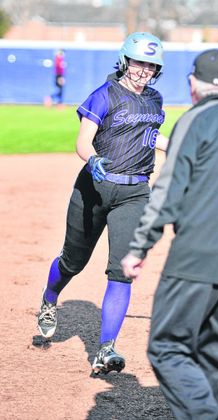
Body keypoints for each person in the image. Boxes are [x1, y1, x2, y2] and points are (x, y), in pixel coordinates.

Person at [121, 49, 218, 419]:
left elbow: (166, 191)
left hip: (195, 261)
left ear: (193, 84)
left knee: (167, 348)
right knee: (216, 362)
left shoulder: (193, 120)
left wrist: (139, 247)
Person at [37, 32, 167, 375]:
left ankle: (105, 349)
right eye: (139, 61)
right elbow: (84, 141)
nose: (144, 70)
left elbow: (152, 138)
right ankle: (50, 300)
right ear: (125, 60)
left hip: (135, 193)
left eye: (151, 65)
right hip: (93, 189)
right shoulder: (104, 95)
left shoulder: (155, 100)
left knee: (122, 271)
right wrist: (92, 160)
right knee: (72, 261)